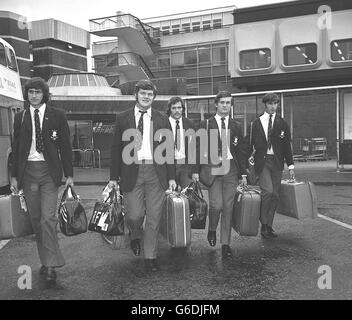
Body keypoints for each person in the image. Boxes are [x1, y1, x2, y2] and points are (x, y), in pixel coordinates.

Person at [10, 77, 74, 283]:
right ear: (27, 94)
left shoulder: (58, 115)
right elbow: (16, 149)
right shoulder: (20, 117)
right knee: (37, 221)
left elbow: (65, 146)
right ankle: (45, 260)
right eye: (31, 92)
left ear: (44, 94)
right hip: (28, 173)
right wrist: (13, 176)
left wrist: (69, 175)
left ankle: (51, 263)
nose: (34, 95)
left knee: (48, 218)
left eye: (38, 92)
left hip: (49, 173)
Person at [109, 80, 176, 272]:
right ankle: (135, 234)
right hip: (131, 172)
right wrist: (113, 177)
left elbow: (168, 150)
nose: (146, 97)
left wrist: (172, 178)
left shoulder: (162, 118)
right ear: (136, 95)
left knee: (154, 218)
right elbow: (115, 150)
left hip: (157, 173)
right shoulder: (122, 118)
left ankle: (150, 257)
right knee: (135, 215)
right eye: (143, 93)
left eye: (150, 94)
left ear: (154, 97)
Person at [199, 91, 247, 259]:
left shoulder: (236, 126)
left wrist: (243, 173)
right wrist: (195, 171)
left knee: (228, 207)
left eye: (228, 103)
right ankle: (212, 229)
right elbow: (198, 149)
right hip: (214, 169)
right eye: (222, 103)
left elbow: (241, 151)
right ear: (216, 105)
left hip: (231, 169)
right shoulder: (206, 124)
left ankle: (225, 243)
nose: (225, 106)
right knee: (216, 206)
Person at [248, 92, 295, 238]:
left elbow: (287, 146)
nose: (273, 106)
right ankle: (263, 223)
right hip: (262, 162)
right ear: (265, 104)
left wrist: (291, 166)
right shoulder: (256, 123)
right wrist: (245, 165)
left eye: (275, 103)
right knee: (267, 192)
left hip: (277, 162)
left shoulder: (283, 123)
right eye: (270, 103)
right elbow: (249, 144)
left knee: (275, 195)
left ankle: (268, 225)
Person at [167, 96, 199, 189]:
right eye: (174, 108)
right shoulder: (163, 123)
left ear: (183, 109)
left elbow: (195, 148)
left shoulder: (190, 124)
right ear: (169, 109)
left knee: (189, 196)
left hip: (186, 166)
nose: (177, 110)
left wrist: (195, 170)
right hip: (168, 166)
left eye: (179, 108)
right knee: (170, 197)